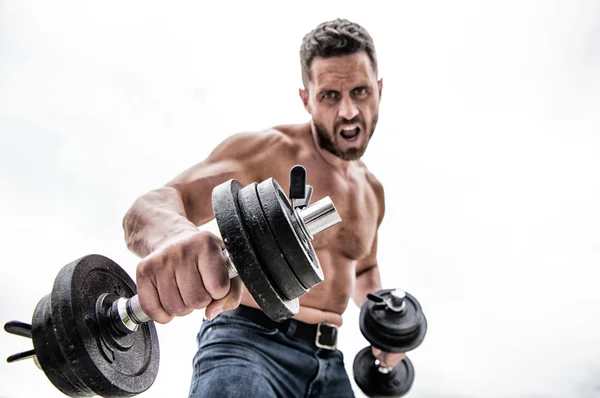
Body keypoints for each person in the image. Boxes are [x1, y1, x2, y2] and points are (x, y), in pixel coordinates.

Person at [123, 18, 405, 397]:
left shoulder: (373, 192)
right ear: (306, 98)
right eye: (330, 96)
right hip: (249, 344)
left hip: (330, 363)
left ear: (379, 89)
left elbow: (365, 269)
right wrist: (176, 236)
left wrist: (384, 320)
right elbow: (148, 209)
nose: (349, 112)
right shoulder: (268, 152)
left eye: (360, 92)